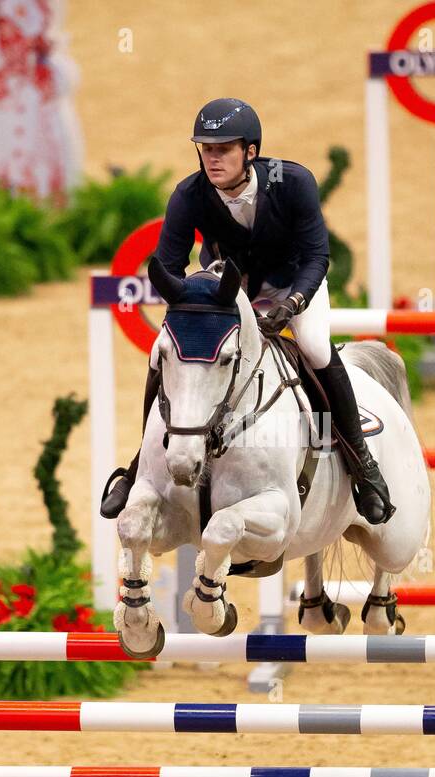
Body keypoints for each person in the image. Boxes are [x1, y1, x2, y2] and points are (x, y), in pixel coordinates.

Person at [99, 97, 394, 524]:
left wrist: (293, 303)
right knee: (161, 353)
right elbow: (168, 265)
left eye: (223, 149)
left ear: (250, 152)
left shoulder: (292, 182)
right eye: (206, 148)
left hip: (295, 285)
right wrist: (190, 303)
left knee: (313, 347)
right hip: (227, 294)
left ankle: (362, 465)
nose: (212, 158)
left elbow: (317, 256)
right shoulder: (189, 194)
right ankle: (138, 467)